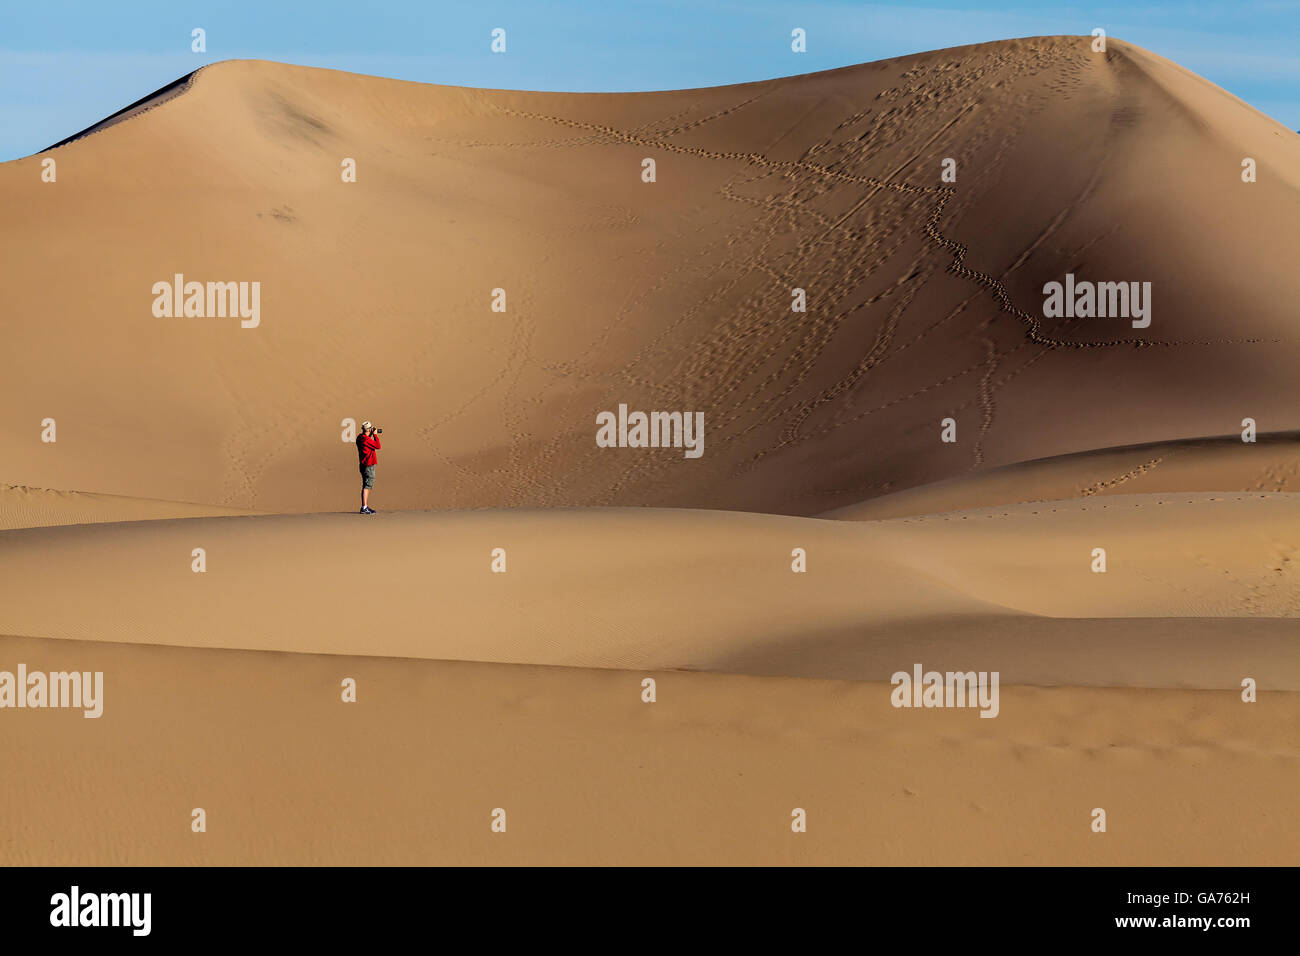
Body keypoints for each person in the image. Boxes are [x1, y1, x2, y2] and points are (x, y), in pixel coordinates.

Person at [356, 420, 382, 514]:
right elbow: (378, 446)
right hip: (368, 465)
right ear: (369, 429)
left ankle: (364, 506)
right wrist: (375, 435)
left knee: (365, 485)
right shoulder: (366, 440)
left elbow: (367, 442)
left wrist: (370, 434)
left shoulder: (359, 437)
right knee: (367, 485)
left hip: (363, 465)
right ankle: (364, 507)